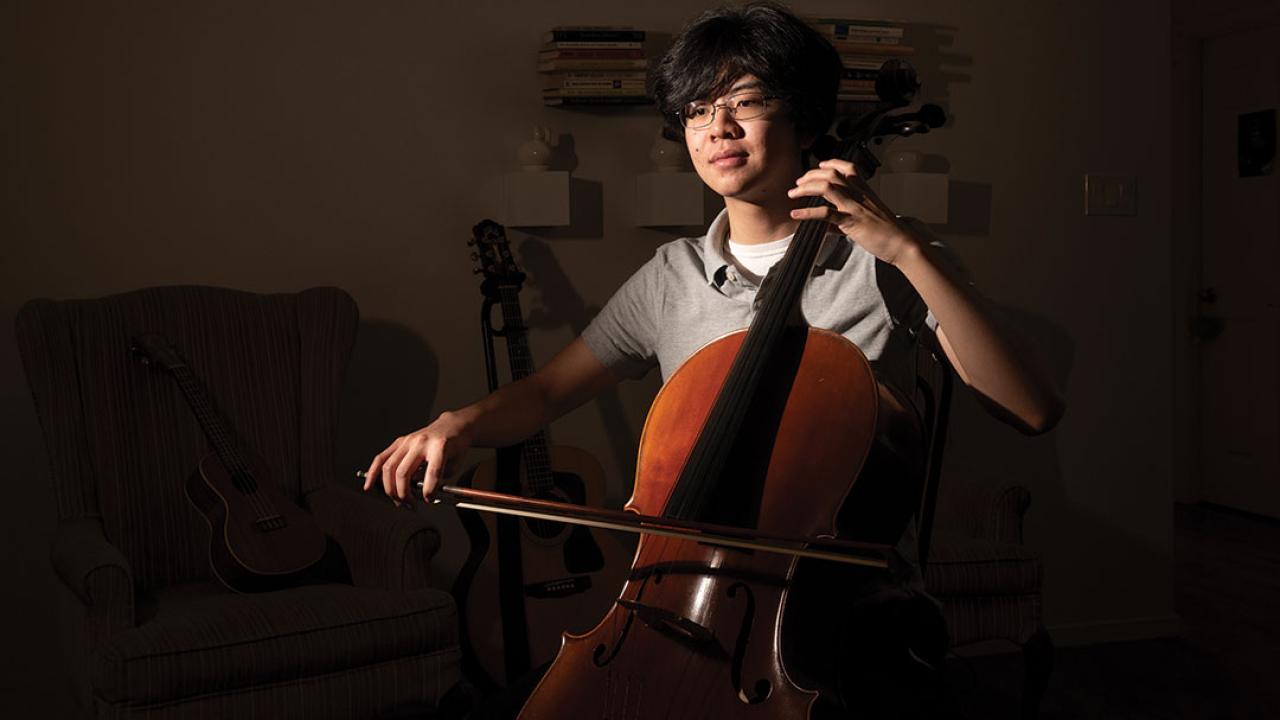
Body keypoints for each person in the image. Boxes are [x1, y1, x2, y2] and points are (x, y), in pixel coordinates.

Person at [366, 2, 1063, 716]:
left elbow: (1031, 408)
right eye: (697, 110)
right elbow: (546, 394)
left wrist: (907, 250)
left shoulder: (884, 265)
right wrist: (461, 422)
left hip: (844, 615)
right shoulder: (672, 276)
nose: (717, 128)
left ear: (804, 118)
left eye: (747, 102)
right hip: (676, 598)